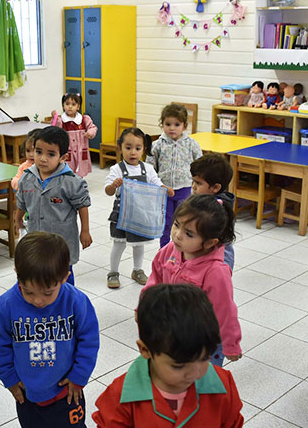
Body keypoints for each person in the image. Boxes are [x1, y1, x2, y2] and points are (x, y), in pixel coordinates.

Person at [92, 284, 244, 427]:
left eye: (204, 358)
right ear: (145, 350)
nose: (194, 373)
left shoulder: (223, 385)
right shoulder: (119, 397)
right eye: (178, 366)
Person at [0, 232, 100, 428]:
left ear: (65, 277)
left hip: (67, 392)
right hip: (27, 395)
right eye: (28, 291)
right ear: (17, 275)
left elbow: (89, 341)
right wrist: (9, 379)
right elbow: (0, 346)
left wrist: (79, 376)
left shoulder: (76, 302)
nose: (38, 300)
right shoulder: (6, 305)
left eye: (48, 292)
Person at [143, 195, 242, 367]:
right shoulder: (170, 250)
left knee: (201, 382)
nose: (177, 235)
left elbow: (225, 311)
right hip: (171, 330)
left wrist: (230, 344)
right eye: (176, 225)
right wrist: (145, 307)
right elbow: (155, 279)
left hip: (202, 340)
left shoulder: (216, 271)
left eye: (189, 234)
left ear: (210, 242)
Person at [14, 126, 92, 285]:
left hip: (62, 240)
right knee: (39, 271)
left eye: (51, 154)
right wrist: (17, 219)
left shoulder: (70, 181)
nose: (43, 158)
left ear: (62, 157)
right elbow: (22, 201)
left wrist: (85, 231)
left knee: (63, 274)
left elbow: (82, 205)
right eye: (38, 152)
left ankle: (66, 303)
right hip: (37, 236)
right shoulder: (27, 178)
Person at [104, 127, 174, 288]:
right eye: (128, 148)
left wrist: (165, 188)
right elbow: (107, 190)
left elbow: (156, 182)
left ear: (143, 149)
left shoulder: (147, 169)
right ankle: (113, 272)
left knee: (139, 244)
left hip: (140, 214)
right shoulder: (117, 169)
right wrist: (113, 186)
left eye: (137, 148)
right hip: (121, 214)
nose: (133, 152)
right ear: (120, 148)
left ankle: (137, 270)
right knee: (119, 244)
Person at [146, 103, 202, 248]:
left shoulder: (192, 144)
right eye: (168, 124)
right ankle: (164, 248)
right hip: (164, 190)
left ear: (184, 126)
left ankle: (182, 247)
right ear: (162, 124)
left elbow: (200, 165)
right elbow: (151, 167)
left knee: (184, 221)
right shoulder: (157, 145)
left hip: (185, 189)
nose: (172, 128)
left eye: (176, 124)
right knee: (166, 221)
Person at [190, 153, 236, 271]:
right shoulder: (204, 200)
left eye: (198, 183)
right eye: (193, 181)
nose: (193, 187)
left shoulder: (216, 210)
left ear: (215, 188)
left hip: (218, 260)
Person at [50, 93, 98, 178]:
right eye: (67, 104)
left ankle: (78, 185)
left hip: (80, 150)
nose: (70, 107)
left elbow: (93, 127)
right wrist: (55, 118)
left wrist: (90, 132)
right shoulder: (61, 121)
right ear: (63, 106)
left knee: (80, 170)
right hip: (68, 151)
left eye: (73, 104)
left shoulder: (84, 119)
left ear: (78, 107)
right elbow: (55, 129)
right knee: (67, 169)